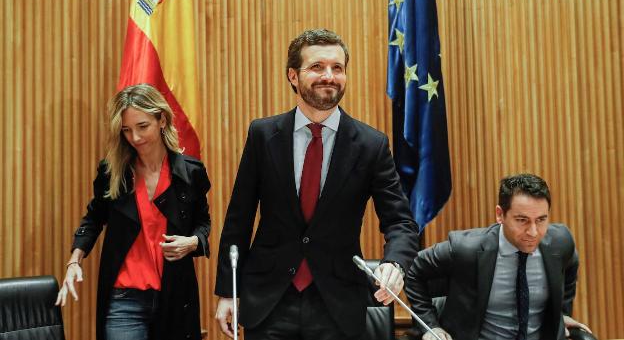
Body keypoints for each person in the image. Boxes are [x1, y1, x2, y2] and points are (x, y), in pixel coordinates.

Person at [213, 28, 420, 340]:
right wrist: (228, 291)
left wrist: (396, 263)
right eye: (317, 67)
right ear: (293, 76)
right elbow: (238, 219)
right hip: (269, 300)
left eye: (337, 68)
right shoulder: (263, 135)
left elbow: (400, 221)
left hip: (336, 302)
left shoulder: (371, 144)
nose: (329, 76)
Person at [55, 84, 211, 340]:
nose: (135, 138)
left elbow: (203, 222)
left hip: (174, 296)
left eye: (142, 126)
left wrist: (193, 242)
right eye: (126, 130)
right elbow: (94, 219)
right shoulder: (113, 172)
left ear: (161, 119)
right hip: (124, 300)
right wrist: (74, 261)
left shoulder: (190, 173)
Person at [404, 173, 592, 340]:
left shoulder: (560, 242)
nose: (533, 232)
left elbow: (569, 269)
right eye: (522, 220)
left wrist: (560, 314)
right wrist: (430, 325)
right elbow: (413, 268)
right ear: (500, 214)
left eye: (541, 220)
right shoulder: (466, 248)